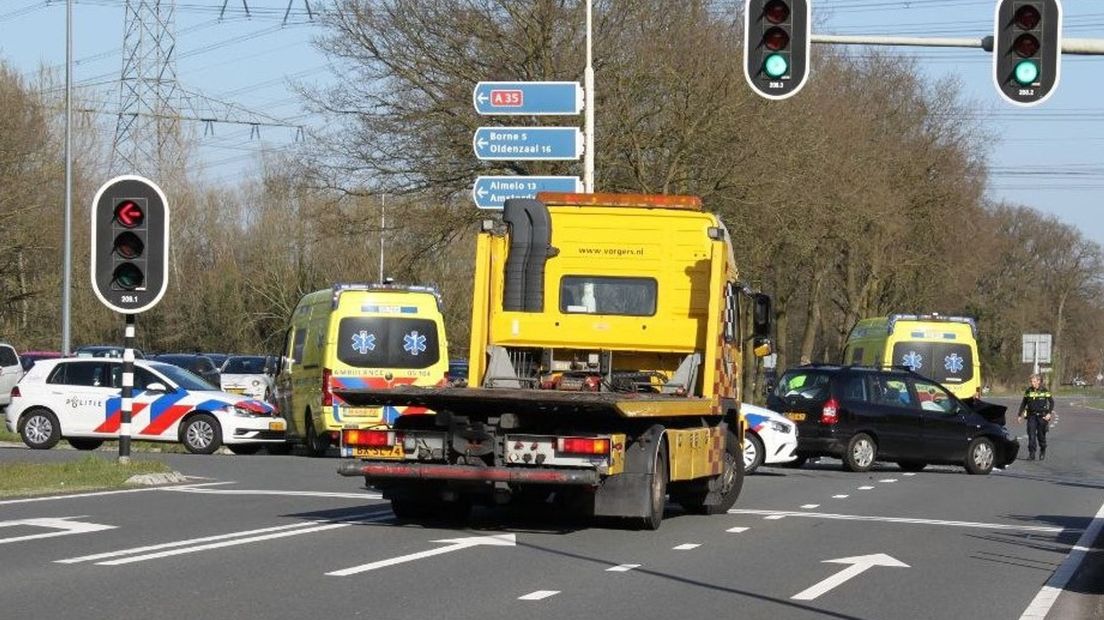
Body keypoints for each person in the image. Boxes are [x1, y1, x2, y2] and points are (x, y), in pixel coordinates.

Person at [1017, 374, 1054, 460]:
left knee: (1041, 436)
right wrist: (1019, 415)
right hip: (1031, 416)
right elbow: (1023, 403)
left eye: (1034, 381)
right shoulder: (1028, 391)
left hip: (1042, 416)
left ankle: (1043, 448)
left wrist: (1049, 414)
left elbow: (1052, 402)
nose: (1032, 383)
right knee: (1031, 435)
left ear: (1038, 381)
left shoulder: (1045, 391)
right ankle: (1032, 454)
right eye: (1031, 381)